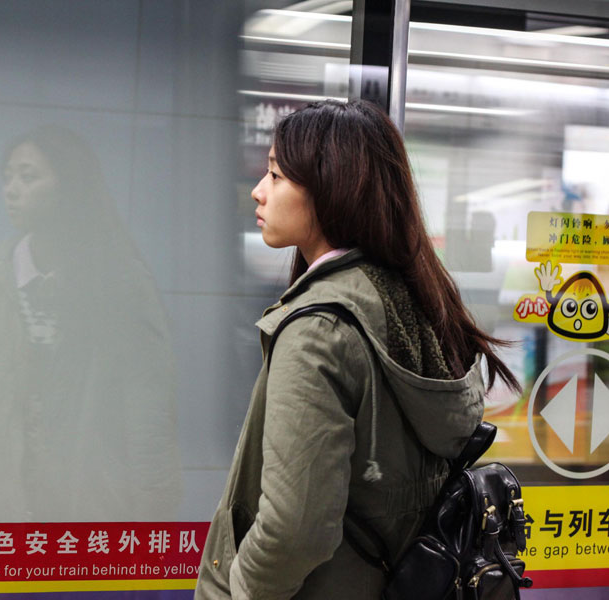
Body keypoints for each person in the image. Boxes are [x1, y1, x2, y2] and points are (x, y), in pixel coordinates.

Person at [194, 100, 520, 599]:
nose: (259, 192)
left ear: (329, 191)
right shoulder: (414, 299)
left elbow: (294, 529)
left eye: (277, 176)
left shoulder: (319, 329)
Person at [0, 125, 181, 522]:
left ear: (69, 185)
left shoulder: (119, 280)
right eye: (7, 177)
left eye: (28, 176)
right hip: (14, 515)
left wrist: (152, 515)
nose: (11, 189)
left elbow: (148, 412)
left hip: (97, 514)